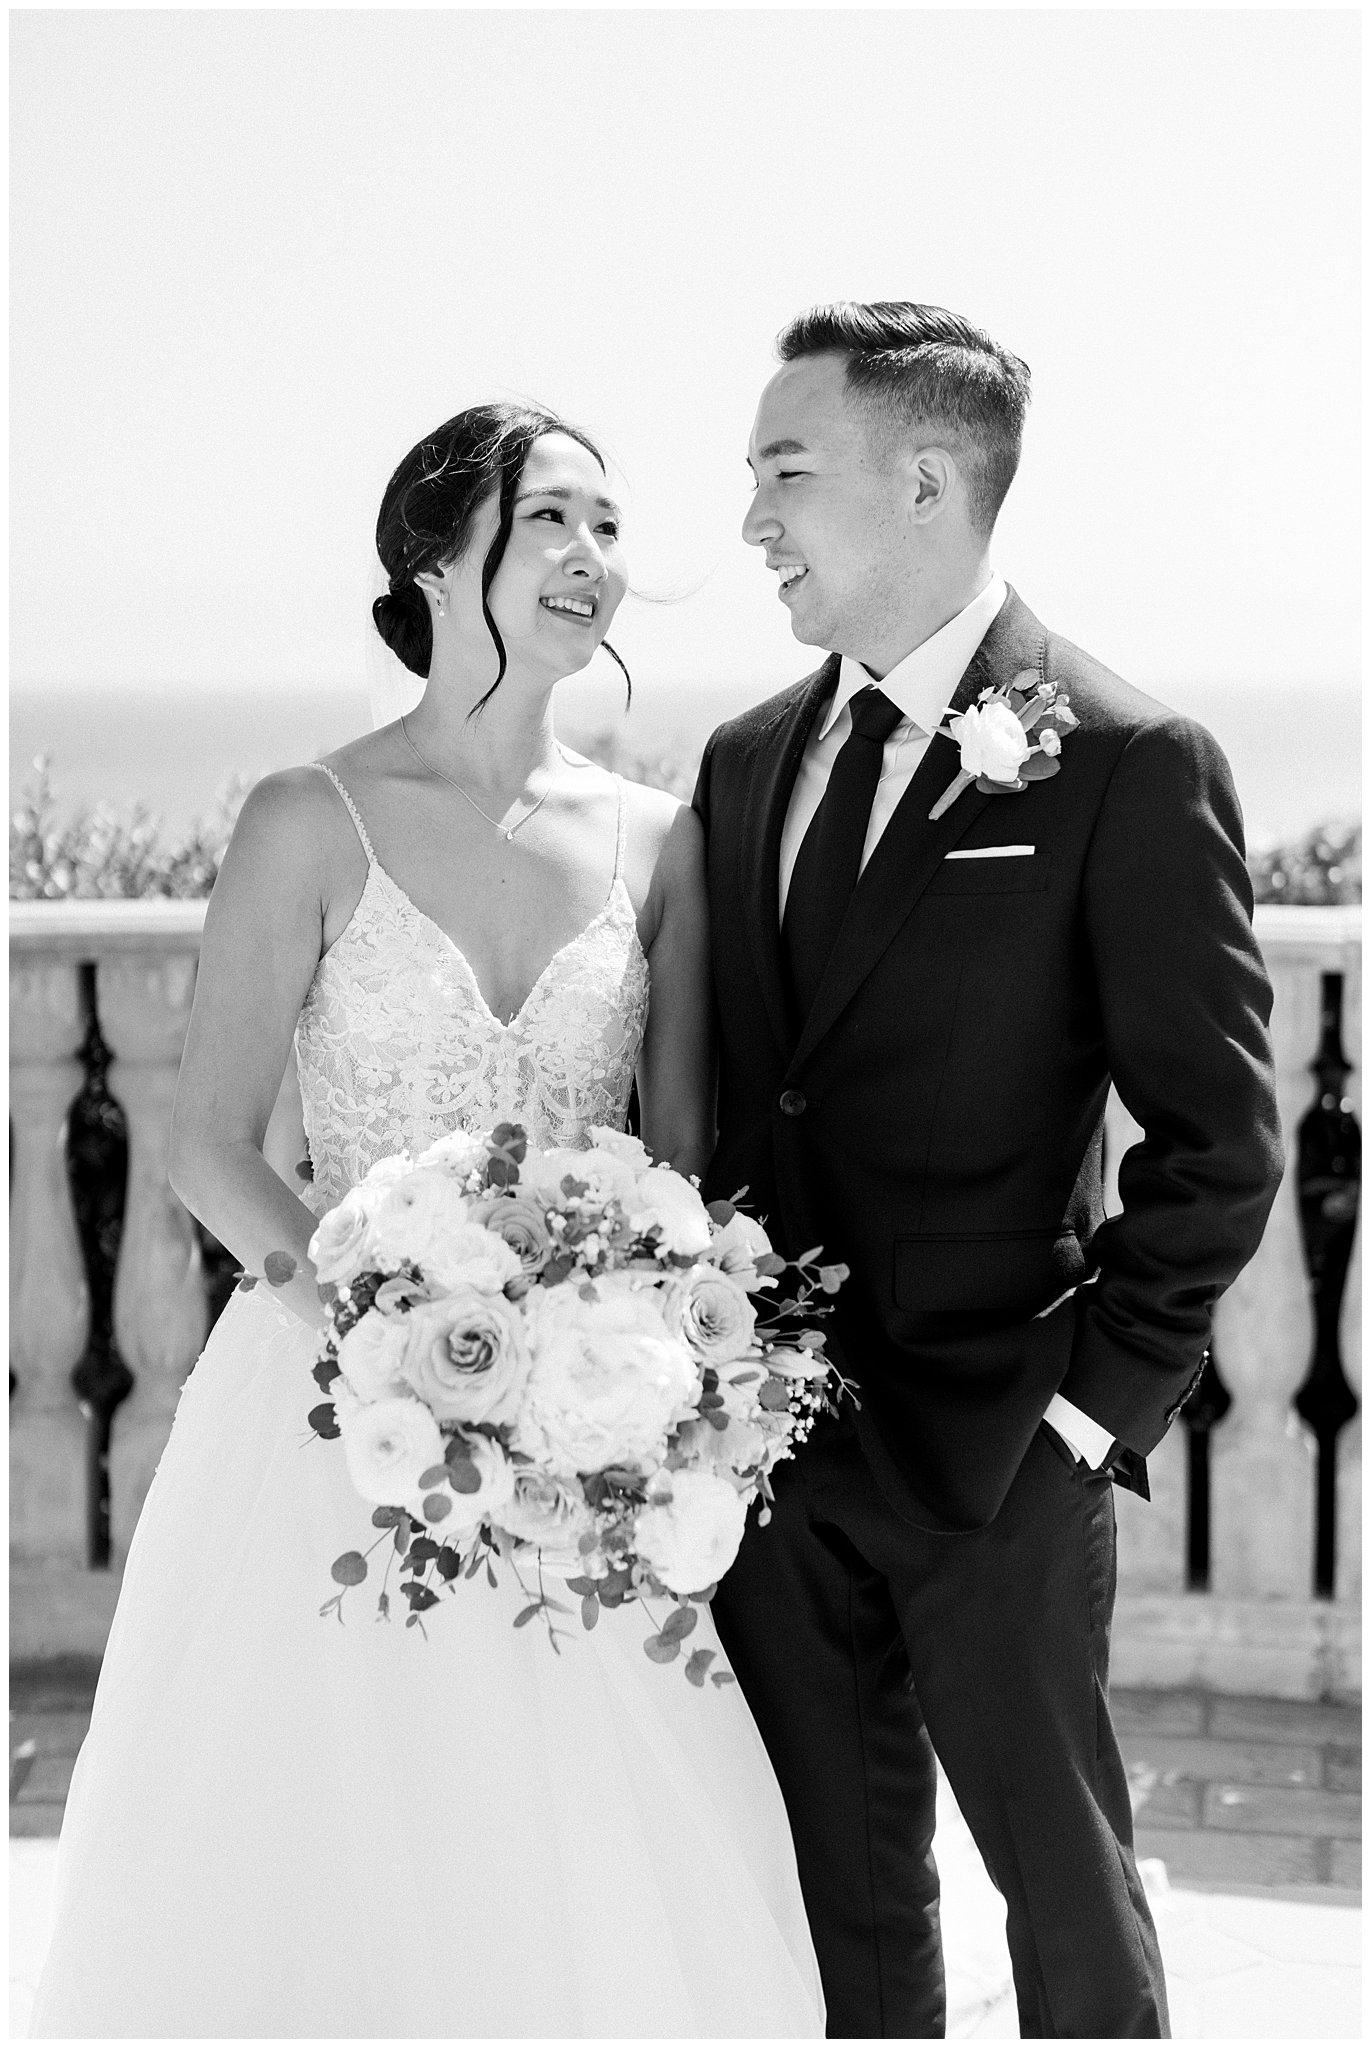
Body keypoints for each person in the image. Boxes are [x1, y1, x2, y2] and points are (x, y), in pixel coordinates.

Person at [30, 403, 824, 2039]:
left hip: (580, 1434)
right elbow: (207, 1147)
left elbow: (671, 1163)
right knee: (321, 1831)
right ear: (432, 556)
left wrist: (612, 1360)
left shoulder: (659, 842)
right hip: (330, 1408)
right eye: (549, 518)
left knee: (586, 1856)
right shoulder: (307, 819)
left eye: (609, 524)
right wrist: (391, 1332)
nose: (592, 557)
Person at [696, 302, 1284, 2039]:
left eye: (784, 472)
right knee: (842, 1909)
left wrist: (1090, 1417)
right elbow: (751, 1097)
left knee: (1067, 1899)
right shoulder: (745, 764)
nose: (749, 522)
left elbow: (1221, 1141)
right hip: (779, 1449)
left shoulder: (1126, 763)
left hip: (1005, 1450)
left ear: (930, 479)